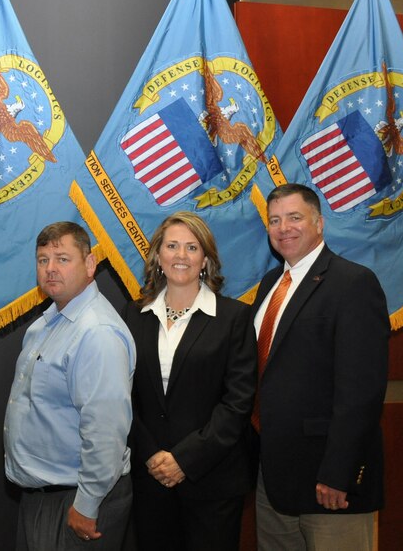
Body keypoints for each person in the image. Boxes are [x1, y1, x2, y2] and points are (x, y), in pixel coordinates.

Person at [252, 183, 389, 551]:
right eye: (275, 220)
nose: (284, 228)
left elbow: (361, 393)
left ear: (319, 223)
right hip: (272, 481)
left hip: (328, 484)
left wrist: (337, 473)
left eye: (295, 217)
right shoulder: (268, 286)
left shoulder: (353, 284)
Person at [125, 211, 256, 551]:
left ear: (206, 260)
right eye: (172, 246)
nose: (181, 256)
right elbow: (122, 396)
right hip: (149, 478)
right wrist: (152, 454)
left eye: (192, 247)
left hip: (213, 480)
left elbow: (237, 403)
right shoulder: (132, 316)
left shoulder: (234, 318)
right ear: (157, 257)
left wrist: (184, 459)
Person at [5, 221, 136, 550]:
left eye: (63, 259)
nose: (51, 269)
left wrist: (87, 504)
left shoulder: (97, 332)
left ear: (90, 265)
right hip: (44, 498)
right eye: (42, 259)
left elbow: (106, 430)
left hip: (80, 501)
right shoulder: (44, 326)